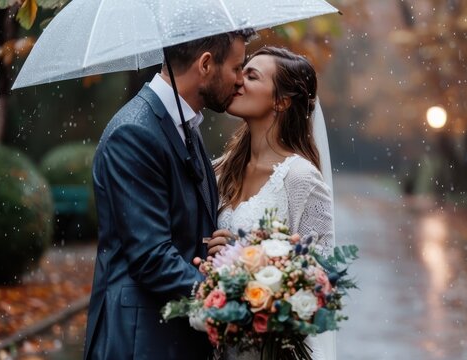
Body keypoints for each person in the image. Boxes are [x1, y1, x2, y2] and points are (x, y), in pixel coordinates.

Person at [83, 29, 255, 360]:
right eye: (236, 68)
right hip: (141, 339)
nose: (239, 80)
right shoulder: (134, 132)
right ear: (206, 64)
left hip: (173, 335)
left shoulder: (186, 125)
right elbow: (151, 256)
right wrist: (227, 300)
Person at [210, 46, 336, 360]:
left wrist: (253, 266)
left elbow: (320, 281)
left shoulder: (301, 179)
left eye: (251, 76)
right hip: (214, 344)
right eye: (241, 72)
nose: (238, 81)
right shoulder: (217, 171)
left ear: (280, 101)